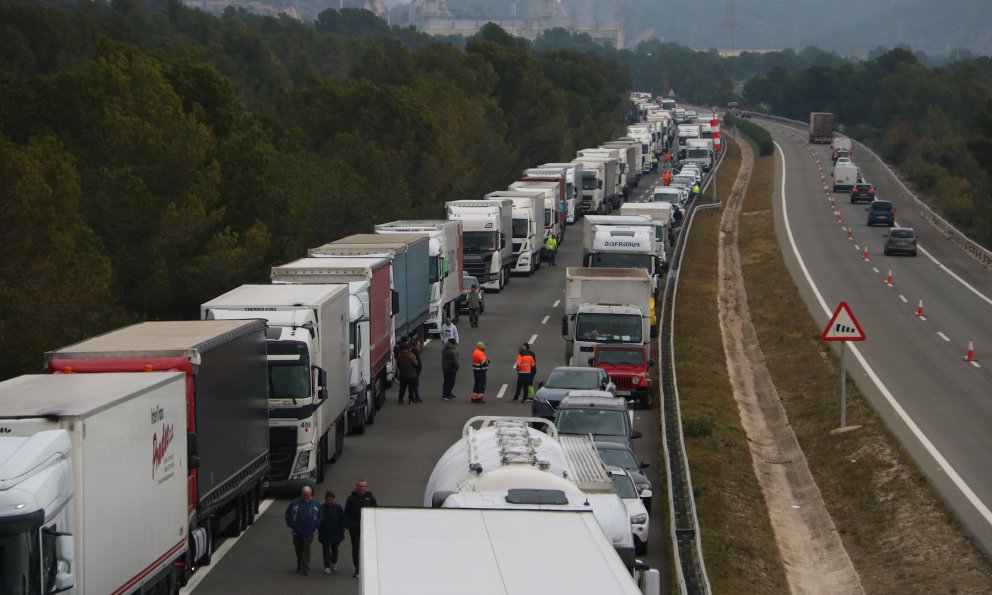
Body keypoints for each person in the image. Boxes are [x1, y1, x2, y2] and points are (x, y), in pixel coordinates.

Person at [285, 485, 322, 576]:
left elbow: (320, 518)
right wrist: (294, 527)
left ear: (311, 494)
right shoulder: (294, 503)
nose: (306, 496)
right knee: (299, 548)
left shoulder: (316, 504)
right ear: (301, 494)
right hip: (297, 532)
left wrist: (314, 526)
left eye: (308, 494)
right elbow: (289, 516)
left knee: (306, 548)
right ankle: (300, 562)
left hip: (310, 532)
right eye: (304, 494)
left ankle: (306, 568)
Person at [344, 479, 377, 579]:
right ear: (356, 487)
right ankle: (358, 569)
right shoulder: (351, 499)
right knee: (356, 548)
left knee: (367, 549)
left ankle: (368, 569)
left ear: (366, 487)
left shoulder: (371, 498)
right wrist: (348, 525)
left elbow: (375, 511)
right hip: (354, 528)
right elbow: (346, 513)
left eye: (363, 486)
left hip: (367, 529)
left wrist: (373, 525)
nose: (362, 488)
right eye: (360, 486)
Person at [318, 490, 345, 574]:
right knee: (326, 550)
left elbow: (342, 520)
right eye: (327, 499)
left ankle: (334, 562)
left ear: (334, 499)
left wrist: (342, 531)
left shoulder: (338, 508)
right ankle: (327, 566)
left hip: (336, 532)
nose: (329, 501)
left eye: (331, 499)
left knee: (335, 549)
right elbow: (318, 520)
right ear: (325, 499)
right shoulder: (321, 508)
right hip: (324, 532)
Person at [395, 340, 420, 405]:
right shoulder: (411, 355)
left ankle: (400, 400)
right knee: (411, 388)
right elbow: (416, 364)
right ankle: (411, 400)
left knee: (402, 388)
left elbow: (398, 365)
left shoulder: (399, 355)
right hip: (411, 374)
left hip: (403, 374)